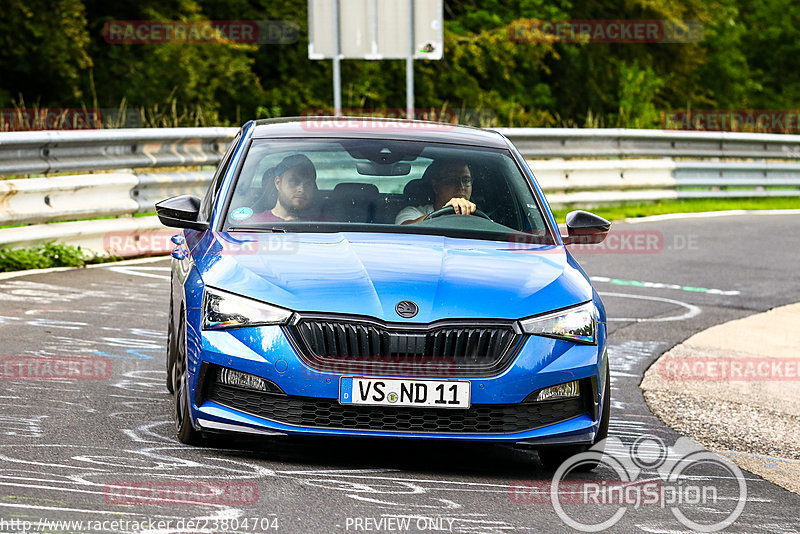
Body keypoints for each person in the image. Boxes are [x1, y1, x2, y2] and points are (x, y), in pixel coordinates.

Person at [395, 159, 477, 225]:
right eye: (452, 180)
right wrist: (446, 213)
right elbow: (404, 232)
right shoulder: (414, 213)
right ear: (436, 186)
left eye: (466, 180)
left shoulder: (480, 216)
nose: (461, 187)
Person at [252, 154, 319, 222]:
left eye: (308, 184)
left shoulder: (326, 225)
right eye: (294, 182)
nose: (302, 189)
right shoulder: (253, 223)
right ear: (278, 183)